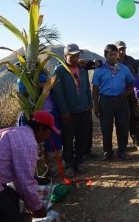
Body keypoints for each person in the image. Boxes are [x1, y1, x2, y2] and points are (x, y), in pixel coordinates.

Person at [0, 111, 60, 221]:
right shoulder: (29, 143)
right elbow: (25, 181)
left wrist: (28, 200)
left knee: (12, 197)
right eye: (48, 132)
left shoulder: (18, 132)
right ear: (41, 128)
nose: (48, 136)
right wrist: (37, 207)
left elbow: (19, 178)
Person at [52, 43, 93, 177]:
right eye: (73, 56)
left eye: (77, 55)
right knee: (68, 139)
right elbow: (58, 93)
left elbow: (87, 88)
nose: (76, 58)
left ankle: (78, 161)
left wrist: (90, 102)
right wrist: (64, 110)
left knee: (82, 138)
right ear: (65, 56)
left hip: (84, 110)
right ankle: (69, 164)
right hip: (69, 112)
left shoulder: (82, 70)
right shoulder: (59, 70)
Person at [92, 44, 135, 161]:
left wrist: (126, 93)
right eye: (110, 54)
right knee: (106, 127)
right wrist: (96, 106)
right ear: (105, 56)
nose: (113, 57)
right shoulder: (99, 70)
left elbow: (132, 83)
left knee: (123, 126)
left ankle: (122, 151)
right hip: (106, 101)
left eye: (115, 54)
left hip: (122, 101)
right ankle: (107, 151)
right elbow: (95, 89)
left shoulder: (124, 68)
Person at [115, 41, 139, 150]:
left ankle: (138, 142)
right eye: (119, 49)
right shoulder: (112, 61)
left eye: (123, 49)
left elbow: (138, 77)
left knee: (135, 117)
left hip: (131, 94)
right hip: (118, 95)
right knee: (120, 120)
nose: (121, 51)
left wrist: (138, 92)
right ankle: (122, 145)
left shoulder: (131, 61)